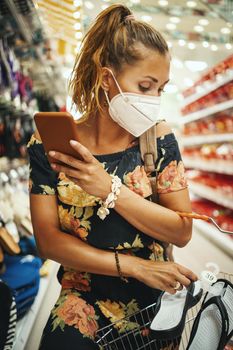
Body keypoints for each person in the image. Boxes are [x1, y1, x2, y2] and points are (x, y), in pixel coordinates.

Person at [27, 4, 197, 349]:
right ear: (107, 79)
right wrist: (134, 266)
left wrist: (110, 189)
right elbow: (47, 241)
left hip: (154, 303)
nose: (154, 101)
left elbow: (182, 231)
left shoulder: (158, 139)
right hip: (81, 301)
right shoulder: (51, 144)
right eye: (145, 86)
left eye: (160, 89)